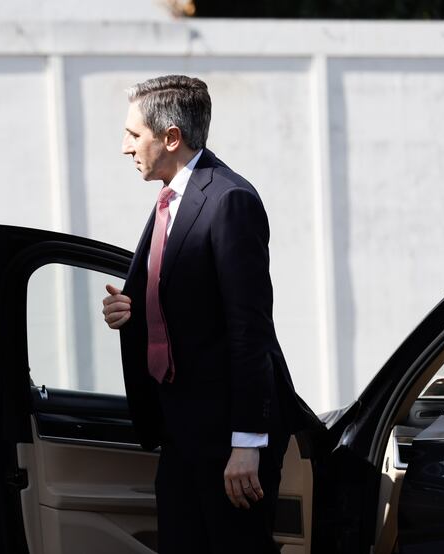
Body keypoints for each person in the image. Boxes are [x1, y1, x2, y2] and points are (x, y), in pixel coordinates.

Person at [102, 75, 319, 553]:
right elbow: (188, 306)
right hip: (180, 428)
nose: (124, 147)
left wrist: (247, 443)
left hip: (228, 435)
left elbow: (249, 331)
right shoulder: (170, 200)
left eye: (134, 135)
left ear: (172, 137)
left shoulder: (229, 201)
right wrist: (131, 313)